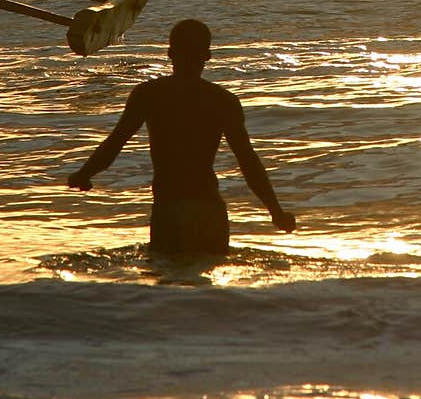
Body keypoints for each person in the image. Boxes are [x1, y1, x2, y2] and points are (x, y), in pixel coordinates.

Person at [67, 18, 296, 255]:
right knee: (208, 285)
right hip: (209, 211)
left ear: (169, 53)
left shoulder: (149, 95)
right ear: (207, 56)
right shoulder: (222, 100)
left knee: (167, 283)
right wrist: (275, 212)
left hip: (170, 209)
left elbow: (115, 143)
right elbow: (248, 162)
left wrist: (83, 174)